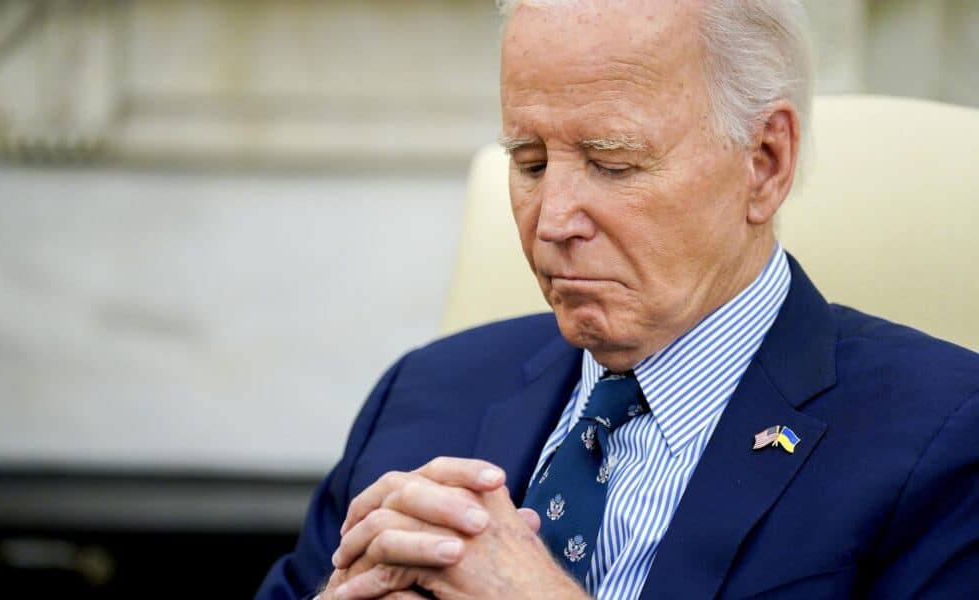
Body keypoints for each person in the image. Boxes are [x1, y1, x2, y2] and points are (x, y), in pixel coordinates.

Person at [258, 1, 979, 598]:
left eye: (612, 163)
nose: (552, 219)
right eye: (531, 162)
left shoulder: (946, 440)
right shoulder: (423, 394)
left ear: (765, 163)